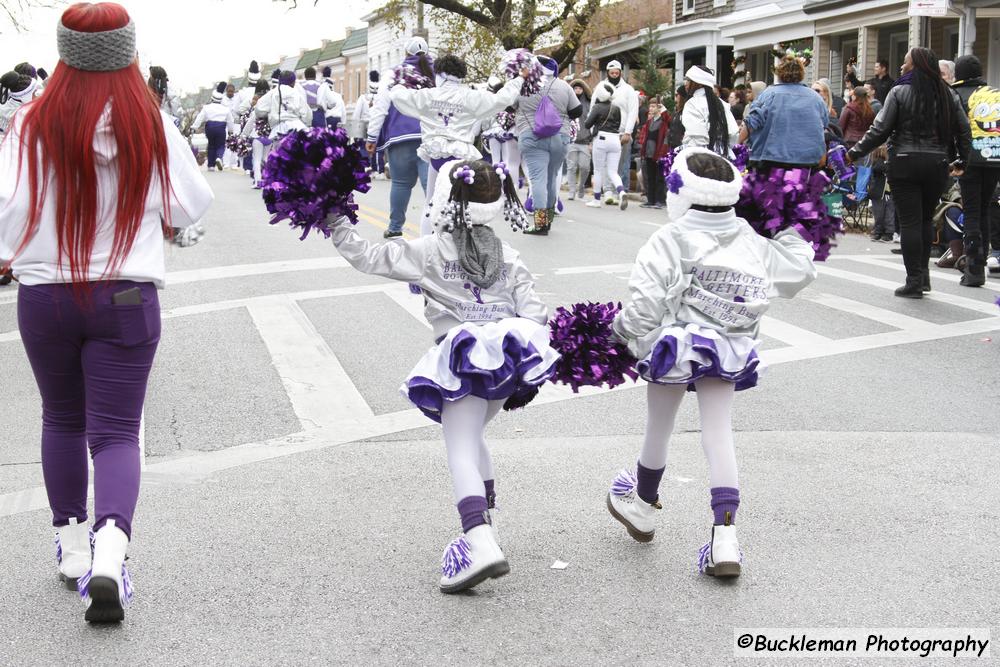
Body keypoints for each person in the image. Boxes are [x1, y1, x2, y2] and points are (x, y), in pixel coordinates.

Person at [0, 1, 213, 622]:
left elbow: (7, 212)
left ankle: (69, 546)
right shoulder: (149, 120)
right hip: (125, 295)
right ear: (128, 52)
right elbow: (192, 204)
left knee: (61, 419)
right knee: (117, 432)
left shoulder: (31, 122)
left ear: (63, 53)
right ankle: (110, 552)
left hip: (47, 296)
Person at [327, 159, 557, 593]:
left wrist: (336, 220)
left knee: (459, 449)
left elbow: (368, 257)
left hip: (460, 358)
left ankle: (479, 537)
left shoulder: (431, 249)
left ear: (447, 201)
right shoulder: (509, 255)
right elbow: (535, 314)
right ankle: (485, 523)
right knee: (473, 440)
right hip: (503, 363)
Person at [606, 149, 816, 578]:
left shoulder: (670, 237)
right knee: (718, 434)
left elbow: (645, 307)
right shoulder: (750, 238)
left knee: (659, 426)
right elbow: (798, 270)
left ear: (679, 193)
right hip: (730, 348)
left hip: (675, 346)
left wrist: (617, 334)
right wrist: (788, 225)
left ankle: (643, 505)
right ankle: (726, 539)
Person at [848, 47, 971, 298]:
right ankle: (923, 277)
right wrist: (963, 161)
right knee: (925, 219)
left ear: (915, 66)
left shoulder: (899, 91)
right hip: (938, 164)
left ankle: (914, 281)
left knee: (910, 222)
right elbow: (964, 130)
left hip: (904, 162)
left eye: (905, 63)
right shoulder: (948, 94)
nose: (901, 67)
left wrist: (853, 153)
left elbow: (879, 130)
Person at [390, 54, 526, 236]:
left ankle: (426, 245)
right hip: (461, 158)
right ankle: (457, 245)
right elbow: (501, 99)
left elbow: (400, 97)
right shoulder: (471, 97)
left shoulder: (428, 95)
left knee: (430, 203)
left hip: (436, 157)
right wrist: (519, 79)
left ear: (439, 73)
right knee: (461, 204)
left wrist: (400, 81)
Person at [367, 38, 433, 238]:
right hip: (430, 135)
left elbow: (380, 106)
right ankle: (434, 229)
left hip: (399, 136)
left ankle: (395, 228)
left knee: (401, 184)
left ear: (406, 53)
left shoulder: (393, 73)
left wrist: (372, 136)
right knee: (430, 187)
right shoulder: (436, 73)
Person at [513, 54, 582, 235]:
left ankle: (540, 224)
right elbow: (577, 111)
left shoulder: (523, 84)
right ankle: (549, 219)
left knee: (537, 180)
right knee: (552, 178)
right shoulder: (563, 86)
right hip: (560, 136)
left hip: (531, 136)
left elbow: (508, 106)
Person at [952, 54, 1000, 287]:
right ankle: (980, 263)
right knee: (983, 209)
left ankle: (973, 269)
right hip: (994, 157)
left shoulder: (957, 95)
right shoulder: (994, 94)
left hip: (969, 158)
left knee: (971, 210)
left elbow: (953, 130)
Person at [740, 56, 828, 167]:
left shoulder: (769, 94)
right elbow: (822, 128)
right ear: (801, 74)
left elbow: (751, 123)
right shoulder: (816, 98)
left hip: (771, 162)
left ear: (780, 73)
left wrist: (734, 145)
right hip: (807, 163)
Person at [584, 81, 628, 210]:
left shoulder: (597, 107)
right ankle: (621, 192)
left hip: (601, 139)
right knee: (613, 171)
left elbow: (587, 124)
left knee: (598, 170)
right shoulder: (616, 108)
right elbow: (618, 124)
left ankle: (597, 199)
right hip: (615, 140)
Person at [681, 65, 738, 157]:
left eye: (688, 80)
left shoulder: (692, 103)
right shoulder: (722, 103)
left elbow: (697, 136)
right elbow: (734, 133)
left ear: (698, 82)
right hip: (724, 155)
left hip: (700, 157)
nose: (685, 84)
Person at [604, 61, 640, 195]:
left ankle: (620, 190)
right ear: (608, 73)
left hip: (621, 133)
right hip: (605, 132)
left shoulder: (628, 90)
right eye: (612, 73)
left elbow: (633, 112)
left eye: (616, 73)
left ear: (620, 73)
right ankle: (608, 190)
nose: (614, 75)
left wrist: (628, 132)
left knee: (621, 164)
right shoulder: (601, 87)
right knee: (606, 163)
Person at [193, 82, 237, 171]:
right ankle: (219, 157)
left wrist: (194, 127)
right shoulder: (225, 109)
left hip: (209, 127)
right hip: (221, 127)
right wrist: (231, 131)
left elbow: (200, 117)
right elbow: (230, 121)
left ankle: (211, 165)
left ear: (212, 98)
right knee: (220, 145)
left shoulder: (206, 107)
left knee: (211, 145)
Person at [256, 70, 310, 140]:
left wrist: (268, 113)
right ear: (293, 82)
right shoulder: (297, 93)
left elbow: (259, 110)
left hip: (278, 130)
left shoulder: (272, 93)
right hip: (297, 127)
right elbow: (307, 115)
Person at [638, 97, 670, 209]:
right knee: (650, 177)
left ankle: (660, 200)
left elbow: (668, 119)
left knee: (659, 178)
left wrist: (663, 109)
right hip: (649, 152)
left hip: (659, 153)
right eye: (650, 106)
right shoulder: (650, 121)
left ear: (659, 107)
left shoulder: (663, 121)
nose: (650, 108)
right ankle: (650, 200)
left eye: (653, 106)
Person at [565, 78, 593, 201]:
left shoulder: (589, 103)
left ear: (584, 90)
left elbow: (593, 122)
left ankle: (581, 186)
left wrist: (591, 141)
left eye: (580, 88)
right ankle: (571, 190)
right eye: (575, 88)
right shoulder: (566, 103)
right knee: (571, 167)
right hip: (571, 140)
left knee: (585, 167)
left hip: (585, 141)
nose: (577, 90)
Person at [0, 70, 38, 135]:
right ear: (25, 97)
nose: (37, 97)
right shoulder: (23, 115)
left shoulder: (6, 103)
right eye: (34, 93)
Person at [317, 65, 345, 130]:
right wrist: (343, 124)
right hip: (338, 120)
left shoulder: (321, 95)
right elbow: (343, 113)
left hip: (328, 121)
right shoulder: (338, 96)